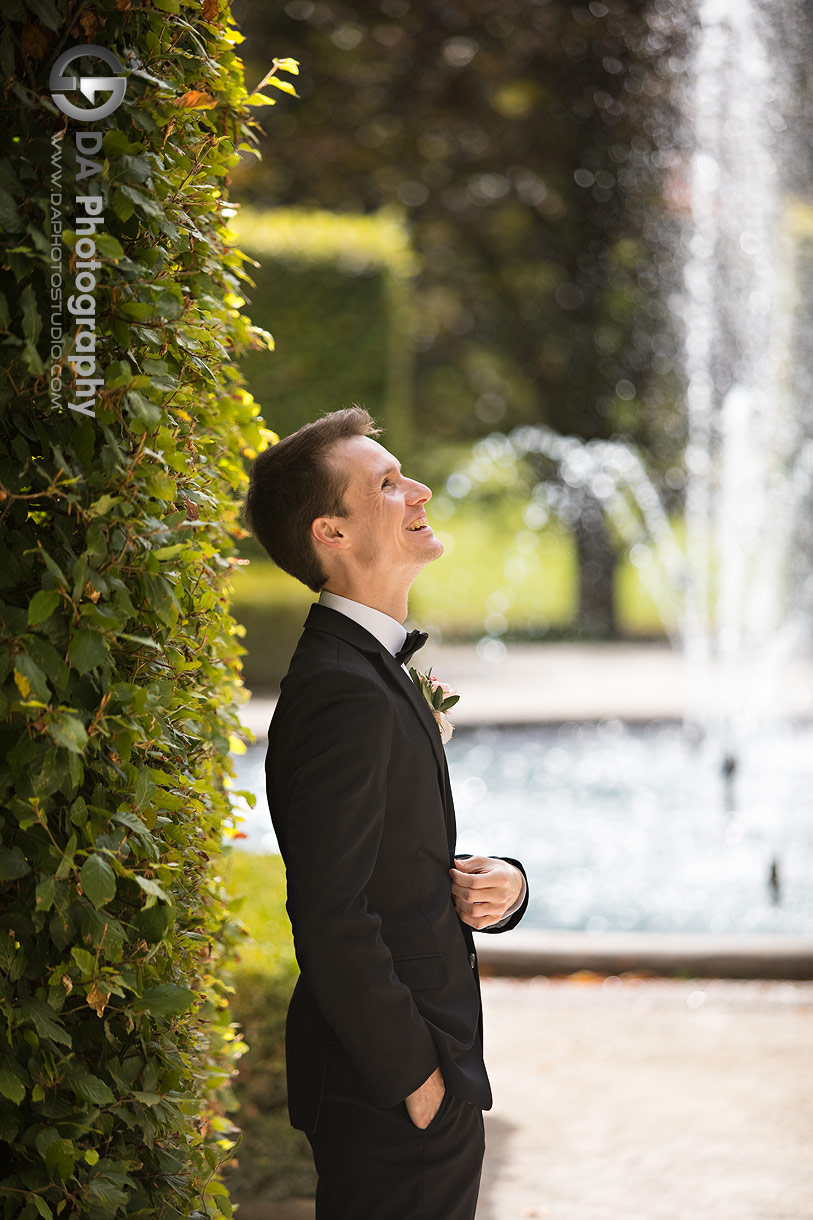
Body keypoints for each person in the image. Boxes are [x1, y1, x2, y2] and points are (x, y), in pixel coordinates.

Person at [244, 407, 529, 1220]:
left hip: (412, 1079)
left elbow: (385, 859)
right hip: (393, 1088)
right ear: (330, 532)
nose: (418, 490)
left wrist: (498, 884)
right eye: (386, 484)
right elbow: (330, 913)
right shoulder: (343, 689)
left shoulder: (368, 666)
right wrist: (417, 1080)